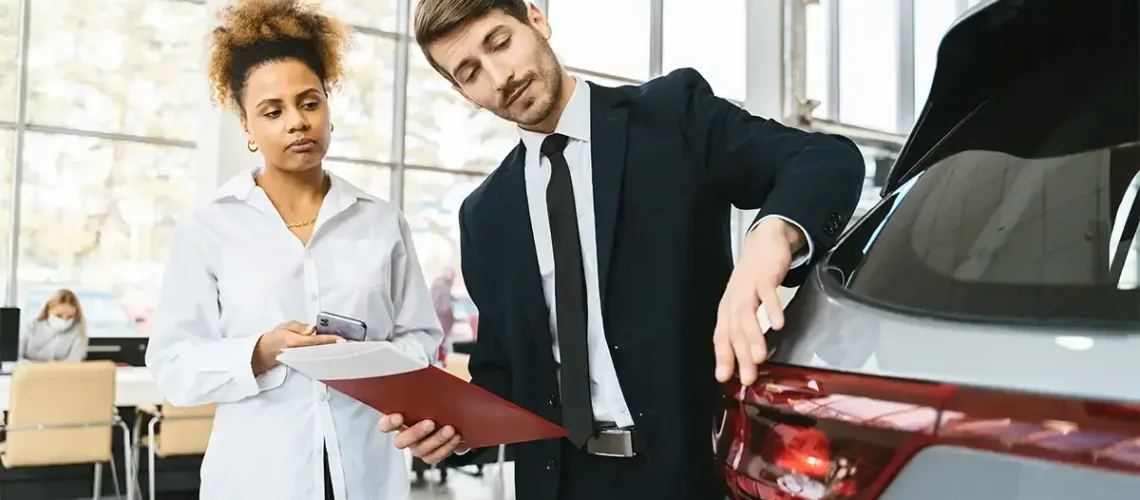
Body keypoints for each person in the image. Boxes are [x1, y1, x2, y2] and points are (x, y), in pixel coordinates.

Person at [385, 1, 868, 499]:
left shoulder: (672, 115)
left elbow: (825, 159)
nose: (500, 76)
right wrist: (453, 429)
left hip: (687, 473)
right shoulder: (484, 215)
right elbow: (506, 375)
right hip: (558, 483)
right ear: (462, 92)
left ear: (535, 19)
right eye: (471, 72)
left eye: (500, 43)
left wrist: (769, 239)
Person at [144, 1, 444, 499]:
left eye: (310, 102)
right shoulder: (209, 227)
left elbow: (421, 338)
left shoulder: (381, 220)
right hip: (258, 476)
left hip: (365, 472)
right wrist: (260, 352)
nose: (297, 122)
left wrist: (371, 360)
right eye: (272, 111)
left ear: (329, 106)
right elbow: (174, 366)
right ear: (246, 126)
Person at [19, 288, 88, 363]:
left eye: (70, 317)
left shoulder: (78, 331)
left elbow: (73, 363)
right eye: (59, 315)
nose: (64, 321)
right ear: (48, 310)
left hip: (61, 373)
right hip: (28, 372)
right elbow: (15, 359)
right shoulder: (30, 325)